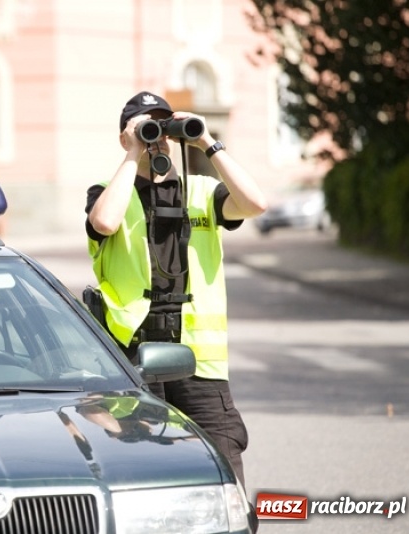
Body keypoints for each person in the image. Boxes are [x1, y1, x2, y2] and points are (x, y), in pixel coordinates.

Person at [84, 91, 268, 487]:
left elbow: (255, 204)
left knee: (223, 471)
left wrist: (206, 141)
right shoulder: (106, 191)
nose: (159, 138)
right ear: (124, 136)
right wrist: (134, 152)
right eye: (148, 127)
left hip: (199, 362)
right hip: (133, 359)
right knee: (140, 472)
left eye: (164, 127)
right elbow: (105, 223)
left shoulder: (200, 191)